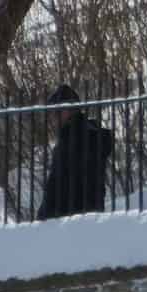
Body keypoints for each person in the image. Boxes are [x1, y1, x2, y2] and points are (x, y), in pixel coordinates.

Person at [38, 86, 114, 220]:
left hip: (68, 217)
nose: (51, 118)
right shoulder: (89, 135)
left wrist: (43, 216)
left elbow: (58, 185)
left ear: (66, 111)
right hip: (91, 213)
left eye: (54, 112)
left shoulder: (73, 139)